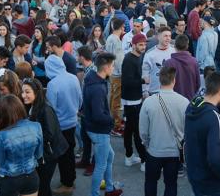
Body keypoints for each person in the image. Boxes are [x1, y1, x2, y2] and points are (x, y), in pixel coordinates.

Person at [139, 66, 189, 196]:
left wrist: (147, 143)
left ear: (159, 80)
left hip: (154, 150)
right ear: (174, 80)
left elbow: (143, 130)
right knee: (171, 184)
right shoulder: (184, 102)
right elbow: (187, 129)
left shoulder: (149, 102)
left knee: (150, 182)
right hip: (174, 152)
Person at [184, 72, 220, 196]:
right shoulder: (215, 118)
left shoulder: (192, 106)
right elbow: (216, 157)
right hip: (213, 184)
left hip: (195, 175)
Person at [82, 52, 123, 196]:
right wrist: (113, 121)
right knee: (100, 165)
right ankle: (95, 193)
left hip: (95, 129)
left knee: (109, 157)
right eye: (112, 65)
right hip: (99, 131)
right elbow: (98, 115)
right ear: (106, 67)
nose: (113, 68)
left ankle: (110, 188)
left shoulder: (94, 80)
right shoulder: (98, 88)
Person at [21, 78, 69, 196]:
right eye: (22, 92)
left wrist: (30, 140)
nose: (23, 95)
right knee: (42, 184)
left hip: (49, 154)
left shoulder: (45, 109)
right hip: (44, 153)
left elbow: (49, 134)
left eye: (27, 92)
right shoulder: (32, 106)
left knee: (43, 185)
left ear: (36, 93)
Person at [43, 51, 82, 195]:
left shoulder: (53, 84)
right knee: (70, 153)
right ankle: (70, 180)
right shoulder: (73, 78)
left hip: (60, 125)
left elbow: (51, 109)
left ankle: (67, 184)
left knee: (63, 156)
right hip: (72, 121)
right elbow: (80, 100)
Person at [120, 33, 148, 169]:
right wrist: (143, 81)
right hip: (131, 101)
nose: (143, 47)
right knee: (137, 131)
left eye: (144, 44)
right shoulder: (129, 59)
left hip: (133, 99)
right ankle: (144, 161)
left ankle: (129, 157)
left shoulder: (137, 57)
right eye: (140, 44)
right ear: (134, 45)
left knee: (130, 129)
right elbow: (127, 82)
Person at [163, 34, 200, 101]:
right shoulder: (194, 61)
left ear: (175, 46)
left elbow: (165, 85)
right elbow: (198, 84)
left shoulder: (168, 63)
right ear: (187, 46)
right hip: (190, 100)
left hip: (173, 100)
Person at [105, 17, 125, 135]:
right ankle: (116, 125)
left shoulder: (110, 38)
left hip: (112, 71)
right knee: (116, 100)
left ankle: (113, 120)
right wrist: (123, 72)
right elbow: (118, 59)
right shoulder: (116, 40)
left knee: (112, 97)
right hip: (117, 73)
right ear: (121, 27)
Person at [143, 26, 176, 95]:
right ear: (158, 37)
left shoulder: (175, 51)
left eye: (169, 36)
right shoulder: (150, 54)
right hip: (154, 91)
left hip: (171, 91)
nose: (168, 38)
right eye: (165, 36)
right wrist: (145, 91)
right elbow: (145, 73)